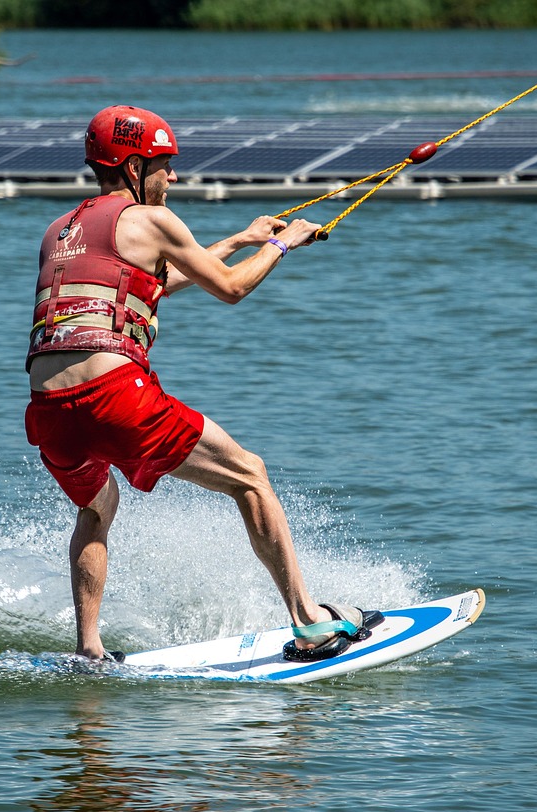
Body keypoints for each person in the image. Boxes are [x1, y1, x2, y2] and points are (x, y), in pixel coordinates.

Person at [25, 105, 381, 663]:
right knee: (249, 475)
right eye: (165, 165)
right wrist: (282, 244)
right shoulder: (153, 220)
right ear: (134, 165)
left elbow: (156, 282)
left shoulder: (61, 230)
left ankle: (88, 647)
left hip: (49, 414)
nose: (173, 178)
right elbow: (232, 290)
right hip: (113, 397)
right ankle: (310, 620)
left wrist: (242, 238)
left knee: (97, 508)